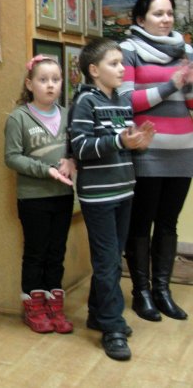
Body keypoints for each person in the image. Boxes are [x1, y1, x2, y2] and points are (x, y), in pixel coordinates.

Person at [69, 38, 155, 361]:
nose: (122, 69)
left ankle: (97, 312)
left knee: (112, 259)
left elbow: (122, 143)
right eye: (114, 63)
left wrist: (138, 143)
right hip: (99, 196)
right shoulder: (85, 102)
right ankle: (113, 327)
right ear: (94, 70)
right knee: (107, 262)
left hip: (124, 191)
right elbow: (80, 147)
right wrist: (120, 140)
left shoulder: (121, 101)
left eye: (122, 63)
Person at [118, 0, 193, 322]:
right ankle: (142, 292)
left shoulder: (187, 51)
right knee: (141, 222)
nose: (166, 20)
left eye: (169, 13)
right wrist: (171, 85)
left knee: (168, 223)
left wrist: (189, 86)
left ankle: (163, 291)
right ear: (140, 19)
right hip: (146, 151)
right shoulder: (128, 50)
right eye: (158, 14)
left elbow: (190, 103)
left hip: (183, 151)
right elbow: (126, 101)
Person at [4, 55, 75, 334]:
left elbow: (76, 149)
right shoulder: (18, 118)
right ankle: (33, 307)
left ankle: (54, 305)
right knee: (36, 252)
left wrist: (72, 162)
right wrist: (46, 170)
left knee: (57, 252)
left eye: (55, 80)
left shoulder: (69, 115)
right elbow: (12, 157)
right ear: (29, 84)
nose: (50, 85)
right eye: (43, 80)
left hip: (63, 196)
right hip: (33, 198)